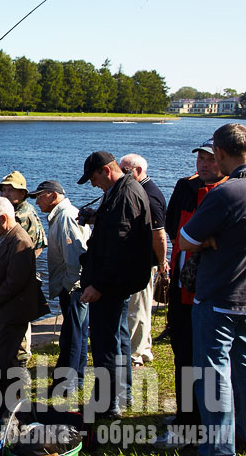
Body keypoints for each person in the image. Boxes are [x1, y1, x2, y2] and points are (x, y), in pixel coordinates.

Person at [152, 138, 227, 449]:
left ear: (224, 158)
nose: (203, 164)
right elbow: (173, 230)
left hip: (210, 293)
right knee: (182, 355)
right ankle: (186, 417)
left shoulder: (230, 192)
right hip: (183, 290)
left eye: (210, 158)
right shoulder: (186, 187)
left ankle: (200, 425)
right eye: (200, 158)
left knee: (208, 364)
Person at [178, 123, 246, 456]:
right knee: (243, 371)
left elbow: (186, 240)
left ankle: (219, 450)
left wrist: (207, 239)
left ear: (219, 153)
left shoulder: (227, 192)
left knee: (213, 377)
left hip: (219, 297)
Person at [77, 151, 152, 419]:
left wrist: (98, 285)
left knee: (104, 344)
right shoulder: (124, 189)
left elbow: (120, 247)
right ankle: (123, 394)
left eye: (94, 179)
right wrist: (96, 218)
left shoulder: (125, 194)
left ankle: (106, 406)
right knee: (119, 339)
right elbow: (116, 228)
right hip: (119, 282)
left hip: (111, 284)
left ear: (106, 171)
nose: (94, 185)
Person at [0, 197, 49, 405]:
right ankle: (4, 400)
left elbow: (14, 283)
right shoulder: (6, 236)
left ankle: (13, 404)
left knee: (8, 360)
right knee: (1, 357)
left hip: (13, 312)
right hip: (4, 309)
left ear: (4, 218)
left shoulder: (19, 241)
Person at [29, 180, 90, 394]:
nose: (36, 201)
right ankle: (76, 380)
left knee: (72, 335)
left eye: (39, 196)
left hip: (73, 286)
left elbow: (76, 255)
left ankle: (67, 385)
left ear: (53, 195)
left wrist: (71, 286)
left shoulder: (64, 216)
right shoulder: (64, 214)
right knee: (78, 333)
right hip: (75, 284)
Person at [0, 171, 47, 363]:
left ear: (23, 193)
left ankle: (20, 355)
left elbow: (33, 248)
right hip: (2, 275)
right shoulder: (5, 211)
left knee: (16, 325)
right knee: (2, 327)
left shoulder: (22, 216)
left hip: (14, 285)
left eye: (11, 190)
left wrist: (16, 272)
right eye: (3, 190)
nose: (6, 194)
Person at [119, 154, 169, 368]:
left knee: (138, 308)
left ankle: (135, 354)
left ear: (138, 171)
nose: (121, 174)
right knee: (141, 307)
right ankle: (144, 348)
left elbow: (159, 234)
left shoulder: (150, 195)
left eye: (125, 170)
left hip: (144, 262)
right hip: (141, 260)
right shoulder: (143, 190)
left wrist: (161, 262)